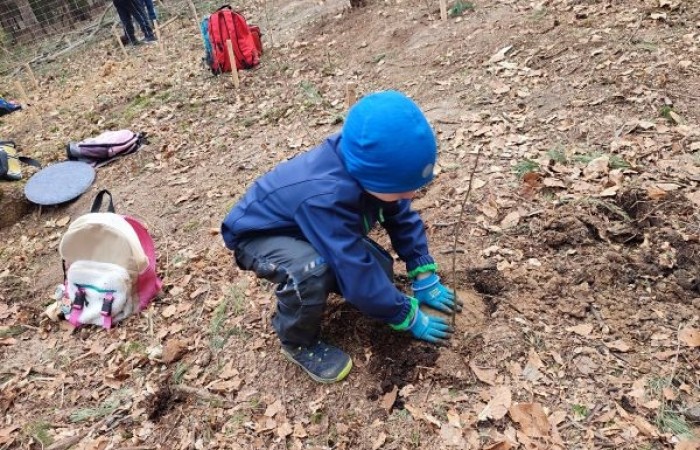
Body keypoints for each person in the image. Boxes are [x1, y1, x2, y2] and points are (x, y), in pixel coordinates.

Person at [221, 90, 462, 384]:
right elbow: (352, 265)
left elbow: (400, 215)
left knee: (381, 272)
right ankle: (297, 341)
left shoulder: (372, 167)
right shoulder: (326, 197)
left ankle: (346, 288)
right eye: (402, 189)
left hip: (308, 226)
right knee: (311, 271)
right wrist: (405, 315)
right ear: (370, 177)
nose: (410, 195)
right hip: (260, 236)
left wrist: (422, 271)